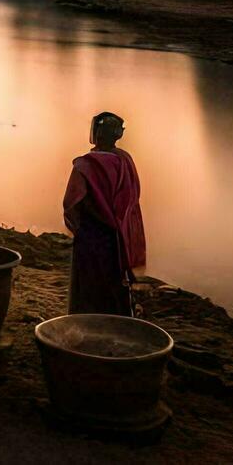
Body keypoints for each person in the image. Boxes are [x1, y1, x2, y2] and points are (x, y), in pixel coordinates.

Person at [62, 111, 146, 315]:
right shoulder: (125, 161)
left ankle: (86, 317)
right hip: (117, 233)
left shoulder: (85, 165)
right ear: (117, 135)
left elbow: (71, 202)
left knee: (89, 278)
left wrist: (79, 225)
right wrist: (120, 222)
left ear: (97, 134)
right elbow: (133, 195)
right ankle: (117, 316)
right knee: (114, 277)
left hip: (91, 231)